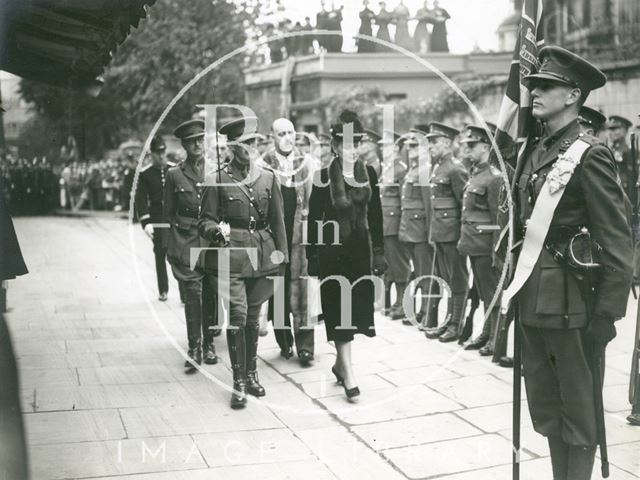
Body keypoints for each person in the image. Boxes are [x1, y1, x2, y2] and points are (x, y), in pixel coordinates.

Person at [510, 46, 633, 479]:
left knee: (578, 409)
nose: (535, 92)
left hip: (572, 303)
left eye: (547, 86)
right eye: (534, 85)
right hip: (533, 299)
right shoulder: (536, 150)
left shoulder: (589, 153)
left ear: (572, 96)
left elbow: (617, 238)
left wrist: (608, 312)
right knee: (546, 403)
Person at [198, 116, 288, 409]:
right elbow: (206, 219)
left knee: (252, 318)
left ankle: (251, 373)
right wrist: (215, 231)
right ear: (231, 146)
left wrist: (282, 257)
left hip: (262, 256)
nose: (249, 148)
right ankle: (237, 381)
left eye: (252, 142)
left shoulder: (268, 177)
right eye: (243, 143)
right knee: (237, 316)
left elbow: (278, 221)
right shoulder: (217, 178)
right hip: (232, 256)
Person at [306, 110, 386, 402]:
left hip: (359, 255)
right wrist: (312, 257)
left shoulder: (370, 175)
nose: (352, 150)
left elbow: (375, 216)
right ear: (336, 147)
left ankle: (340, 364)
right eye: (346, 145)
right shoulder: (322, 178)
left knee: (355, 315)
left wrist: (379, 252)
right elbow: (314, 220)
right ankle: (349, 373)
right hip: (333, 256)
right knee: (339, 313)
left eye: (356, 144)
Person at [164, 119, 218, 372]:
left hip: (211, 241)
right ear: (185, 145)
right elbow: (168, 213)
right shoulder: (175, 174)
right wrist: (170, 245)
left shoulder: (216, 171)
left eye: (201, 139)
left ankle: (209, 344)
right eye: (193, 141)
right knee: (193, 294)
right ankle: (194, 346)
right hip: (186, 241)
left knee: (210, 292)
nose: (198, 144)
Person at [262, 118, 315, 365]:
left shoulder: (307, 163)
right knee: (279, 290)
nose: (286, 137)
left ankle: (306, 346)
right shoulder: (263, 165)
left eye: (290, 132)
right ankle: (284, 341)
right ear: (272, 137)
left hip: (300, 238)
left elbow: (313, 203)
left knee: (304, 290)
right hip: (274, 237)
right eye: (281, 133)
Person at [457, 125, 502, 355]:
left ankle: (496, 338)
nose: (467, 149)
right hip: (474, 244)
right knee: (484, 292)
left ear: (486, 147)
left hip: (485, 245)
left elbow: (497, 219)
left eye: (472, 145)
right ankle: (486, 332)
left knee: (492, 291)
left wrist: (496, 250)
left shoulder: (493, 177)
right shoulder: (476, 173)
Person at [424, 122, 469, 343]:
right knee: (447, 280)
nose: (430, 145)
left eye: (434, 141)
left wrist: (462, 237)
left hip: (453, 235)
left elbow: (464, 206)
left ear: (449, 143)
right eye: (429, 141)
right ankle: (448, 323)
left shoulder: (456, 169)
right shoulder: (438, 167)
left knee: (457, 279)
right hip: (441, 235)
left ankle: (456, 325)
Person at [397, 127, 439, 327]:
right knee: (419, 271)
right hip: (411, 229)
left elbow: (429, 205)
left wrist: (431, 234)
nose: (409, 148)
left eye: (414, 145)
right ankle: (422, 311)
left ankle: (427, 313)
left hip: (421, 230)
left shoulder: (424, 170)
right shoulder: (413, 169)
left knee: (425, 273)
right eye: (408, 145)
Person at [135, 135, 175, 302]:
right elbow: (141, 200)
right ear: (151, 154)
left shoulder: (174, 169)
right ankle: (163, 290)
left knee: (178, 255)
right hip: (157, 219)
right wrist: (146, 222)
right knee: (160, 254)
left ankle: (185, 293)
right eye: (157, 153)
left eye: (163, 152)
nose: (161, 156)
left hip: (174, 218)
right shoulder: (145, 174)